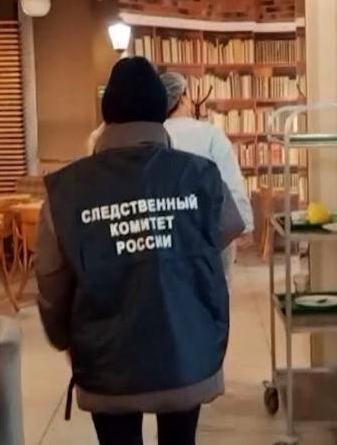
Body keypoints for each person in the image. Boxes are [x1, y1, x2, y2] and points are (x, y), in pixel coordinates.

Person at [36, 57, 245, 445]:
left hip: (106, 359)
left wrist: (67, 339)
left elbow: (51, 280)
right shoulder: (200, 176)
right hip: (186, 349)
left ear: (107, 114)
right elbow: (229, 227)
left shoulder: (66, 190)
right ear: (162, 110)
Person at [161, 72, 254, 278]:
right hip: (211, 231)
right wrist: (245, 223)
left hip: (169, 234)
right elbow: (230, 181)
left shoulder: (156, 135)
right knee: (217, 287)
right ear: (183, 98)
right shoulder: (210, 134)